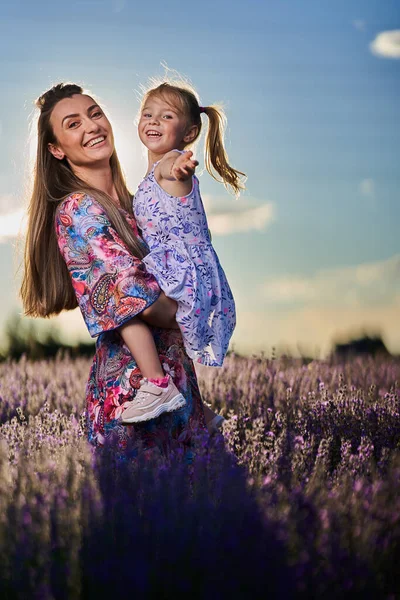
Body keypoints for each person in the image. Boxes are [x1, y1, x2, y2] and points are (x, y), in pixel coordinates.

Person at [20, 82, 215, 454]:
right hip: (133, 398)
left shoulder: (135, 201)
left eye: (95, 114)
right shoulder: (78, 210)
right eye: (73, 124)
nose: (92, 126)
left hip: (178, 387)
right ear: (56, 149)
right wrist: (197, 305)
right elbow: (139, 299)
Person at [119, 81, 245, 426]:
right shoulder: (149, 173)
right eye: (148, 114)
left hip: (182, 277)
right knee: (162, 342)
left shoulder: (170, 163)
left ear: (188, 132)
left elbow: (174, 168)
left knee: (121, 305)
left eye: (167, 115)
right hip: (182, 274)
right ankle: (200, 414)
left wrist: (180, 169)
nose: (154, 121)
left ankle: (158, 385)